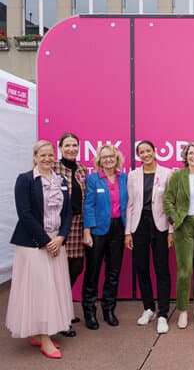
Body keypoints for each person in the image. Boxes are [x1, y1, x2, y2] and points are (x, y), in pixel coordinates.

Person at [6, 140, 74, 359]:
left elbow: (68, 213)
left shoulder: (61, 180)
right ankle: (44, 338)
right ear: (35, 157)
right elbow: (24, 214)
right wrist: (46, 241)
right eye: (42, 155)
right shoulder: (25, 180)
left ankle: (39, 332)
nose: (47, 159)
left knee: (52, 288)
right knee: (41, 289)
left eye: (50, 155)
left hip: (56, 242)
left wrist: (61, 237)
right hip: (34, 244)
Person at [125, 141, 173, 334]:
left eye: (148, 151)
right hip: (139, 226)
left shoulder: (167, 173)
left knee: (162, 269)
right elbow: (130, 204)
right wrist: (128, 231)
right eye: (142, 152)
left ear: (155, 152)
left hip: (160, 225)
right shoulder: (133, 175)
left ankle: (162, 313)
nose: (145, 154)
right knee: (141, 268)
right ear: (139, 155)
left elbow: (171, 204)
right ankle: (149, 308)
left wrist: (171, 231)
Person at [164, 142, 194, 329]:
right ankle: (183, 310)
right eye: (190, 153)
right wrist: (175, 220)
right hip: (183, 225)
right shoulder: (177, 175)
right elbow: (168, 200)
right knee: (185, 271)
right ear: (185, 156)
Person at [82, 144, 128, 330]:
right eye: (104, 157)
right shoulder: (93, 179)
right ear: (99, 160)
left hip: (118, 228)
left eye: (111, 156)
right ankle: (89, 311)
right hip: (97, 230)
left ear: (117, 159)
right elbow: (89, 205)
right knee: (92, 272)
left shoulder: (124, 178)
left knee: (113, 272)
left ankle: (109, 309)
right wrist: (87, 231)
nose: (108, 159)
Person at [53, 132, 87, 336]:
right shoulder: (54, 167)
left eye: (75, 145)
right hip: (59, 225)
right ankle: (58, 317)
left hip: (79, 224)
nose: (71, 148)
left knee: (76, 267)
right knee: (57, 271)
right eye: (67, 145)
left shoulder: (82, 169)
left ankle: (64, 306)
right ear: (60, 147)